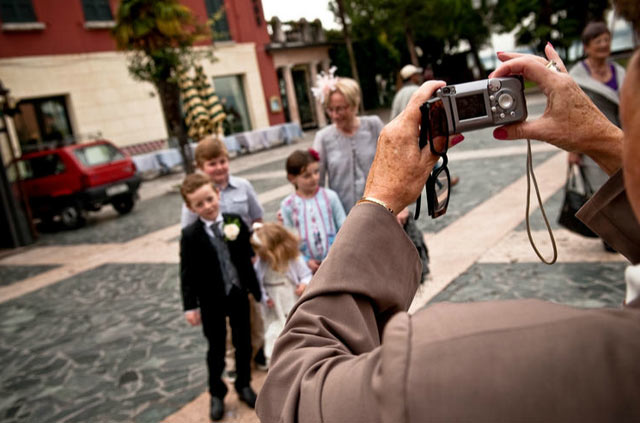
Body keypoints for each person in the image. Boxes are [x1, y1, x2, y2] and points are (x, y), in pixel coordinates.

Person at [256, 43, 640, 422]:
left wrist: (379, 198)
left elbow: (291, 391)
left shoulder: (427, 363)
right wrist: (607, 142)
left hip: (371, 219)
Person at [179, 173, 262, 421]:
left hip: (237, 293)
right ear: (190, 207)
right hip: (210, 300)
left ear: (217, 193)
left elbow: (247, 259)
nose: (207, 206)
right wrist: (190, 306)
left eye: (209, 199)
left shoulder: (235, 221)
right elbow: (187, 272)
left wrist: (256, 290)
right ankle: (217, 392)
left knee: (243, 341)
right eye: (199, 204)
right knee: (215, 348)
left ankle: (244, 385)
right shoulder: (190, 235)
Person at [179, 136, 267, 369]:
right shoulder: (197, 194)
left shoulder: (243, 186)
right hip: (217, 271)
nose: (218, 168)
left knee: (253, 315)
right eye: (211, 164)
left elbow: (256, 217)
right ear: (201, 167)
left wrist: (255, 248)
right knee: (226, 327)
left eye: (222, 161)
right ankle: (233, 361)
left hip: (246, 261)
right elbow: (190, 234)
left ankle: (257, 352)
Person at [569, 22, 626, 251]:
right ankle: (611, 237)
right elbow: (571, 114)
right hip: (591, 143)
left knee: (625, 188)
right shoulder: (576, 76)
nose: (604, 45)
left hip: (622, 139)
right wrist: (573, 150)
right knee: (603, 191)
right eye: (598, 41)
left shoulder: (619, 72)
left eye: (607, 40)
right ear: (587, 47)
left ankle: (626, 232)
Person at [312, 74, 384, 213]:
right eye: (330, 109)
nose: (334, 115)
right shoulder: (323, 138)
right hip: (345, 215)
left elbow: (392, 167)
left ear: (354, 105)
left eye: (340, 108)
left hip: (381, 209)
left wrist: (401, 206)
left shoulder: (373, 125)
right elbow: (316, 182)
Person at [250, 222, 311, 365]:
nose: (260, 256)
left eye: (263, 253)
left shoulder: (293, 259)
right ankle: (275, 360)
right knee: (274, 330)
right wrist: (265, 298)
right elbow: (259, 284)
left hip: (290, 297)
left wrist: (303, 284)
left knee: (295, 325)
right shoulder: (261, 264)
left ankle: (300, 356)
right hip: (274, 304)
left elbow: (306, 275)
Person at [280, 149, 346, 274]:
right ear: (292, 178)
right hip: (307, 269)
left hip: (335, 261)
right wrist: (305, 260)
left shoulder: (330, 197)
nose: (314, 178)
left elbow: (344, 227)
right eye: (307, 176)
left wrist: (335, 253)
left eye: (316, 172)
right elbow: (289, 240)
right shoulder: (288, 205)